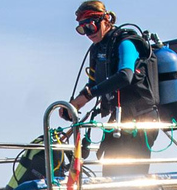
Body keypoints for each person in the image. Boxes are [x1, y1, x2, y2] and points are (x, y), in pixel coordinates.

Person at [63, 1, 159, 176]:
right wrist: (74, 106)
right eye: (82, 29)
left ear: (106, 20)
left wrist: (89, 94)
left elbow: (125, 75)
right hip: (119, 119)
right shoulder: (97, 49)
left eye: (90, 26)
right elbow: (93, 84)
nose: (87, 33)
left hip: (141, 119)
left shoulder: (125, 42)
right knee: (110, 174)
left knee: (130, 177)